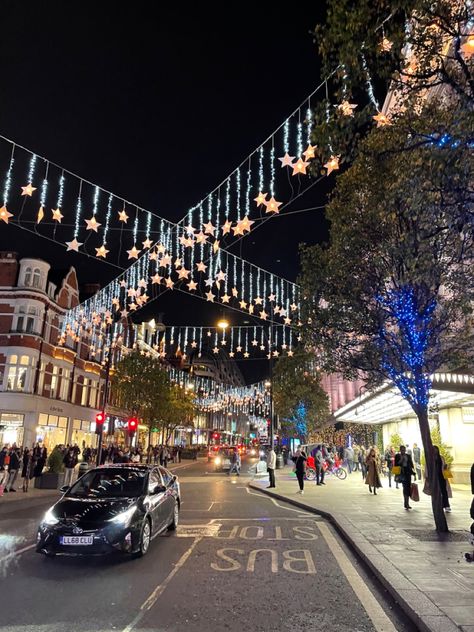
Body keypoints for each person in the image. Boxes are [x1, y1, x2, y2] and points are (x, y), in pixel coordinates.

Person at [395, 445, 416, 509]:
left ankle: (407, 502)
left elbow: (411, 465)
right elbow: (396, 465)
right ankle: (406, 503)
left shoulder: (408, 456)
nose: (403, 451)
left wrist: (413, 473)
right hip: (402, 473)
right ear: (400, 450)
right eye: (402, 450)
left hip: (408, 473)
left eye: (404, 450)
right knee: (405, 488)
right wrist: (401, 460)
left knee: (408, 487)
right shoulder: (397, 456)